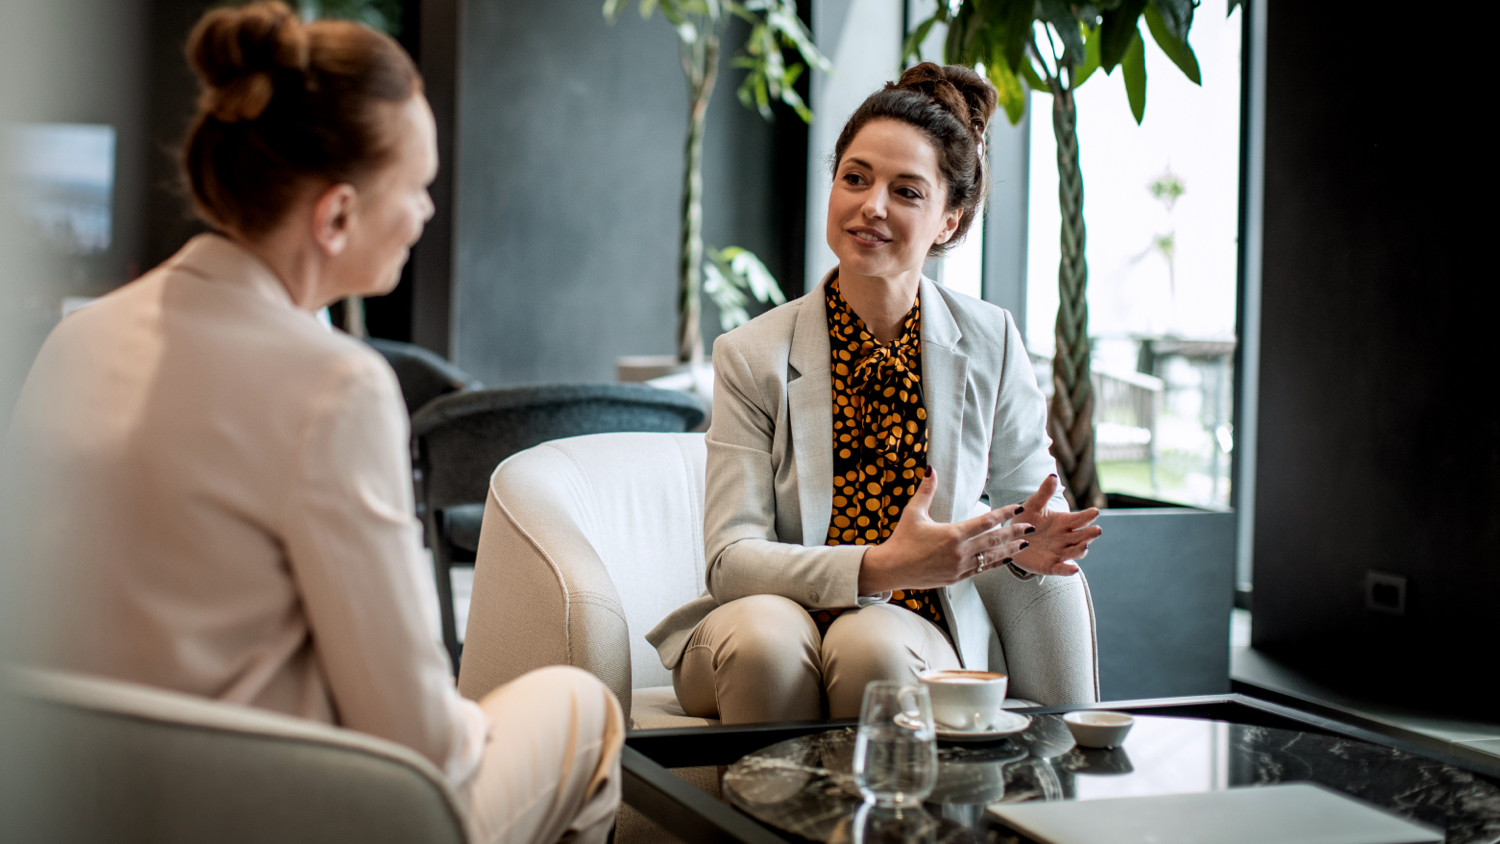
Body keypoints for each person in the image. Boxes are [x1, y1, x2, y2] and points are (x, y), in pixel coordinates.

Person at [3, 4, 621, 842]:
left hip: (71, 798)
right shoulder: (338, 387)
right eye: (418, 188)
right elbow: (419, 742)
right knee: (584, 709)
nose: (427, 212)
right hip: (274, 810)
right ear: (335, 216)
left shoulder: (77, 339)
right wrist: (470, 721)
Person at [646, 64, 1104, 723]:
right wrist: (880, 566)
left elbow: (1031, 494)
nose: (872, 205)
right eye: (854, 178)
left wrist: (1029, 543)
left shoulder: (991, 341)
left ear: (949, 221)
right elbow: (733, 559)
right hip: (760, 614)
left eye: (906, 191)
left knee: (871, 647)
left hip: (916, 623)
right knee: (766, 644)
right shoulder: (750, 354)